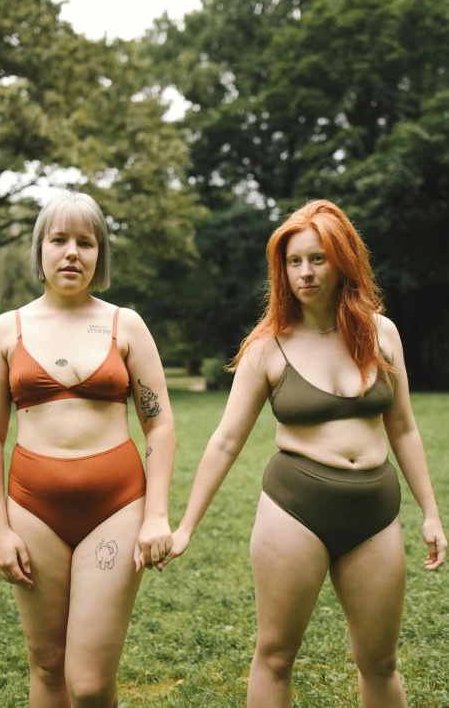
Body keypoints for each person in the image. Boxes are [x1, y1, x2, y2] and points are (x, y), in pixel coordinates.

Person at [157, 199, 447, 708]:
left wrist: (430, 513)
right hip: (295, 510)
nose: (305, 273)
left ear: (343, 261)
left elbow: (402, 427)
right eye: (294, 262)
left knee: (380, 662)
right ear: (281, 269)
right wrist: (185, 527)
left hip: (375, 511)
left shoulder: (383, 335)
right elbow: (226, 439)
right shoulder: (267, 347)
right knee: (275, 655)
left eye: (317, 258)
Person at [0, 190, 175, 708]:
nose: (71, 253)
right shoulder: (5, 330)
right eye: (59, 240)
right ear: (40, 250)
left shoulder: (124, 324)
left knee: (88, 683)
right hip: (32, 509)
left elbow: (160, 425)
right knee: (46, 665)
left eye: (85, 242)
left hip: (116, 507)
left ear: (99, 255)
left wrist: (156, 516)